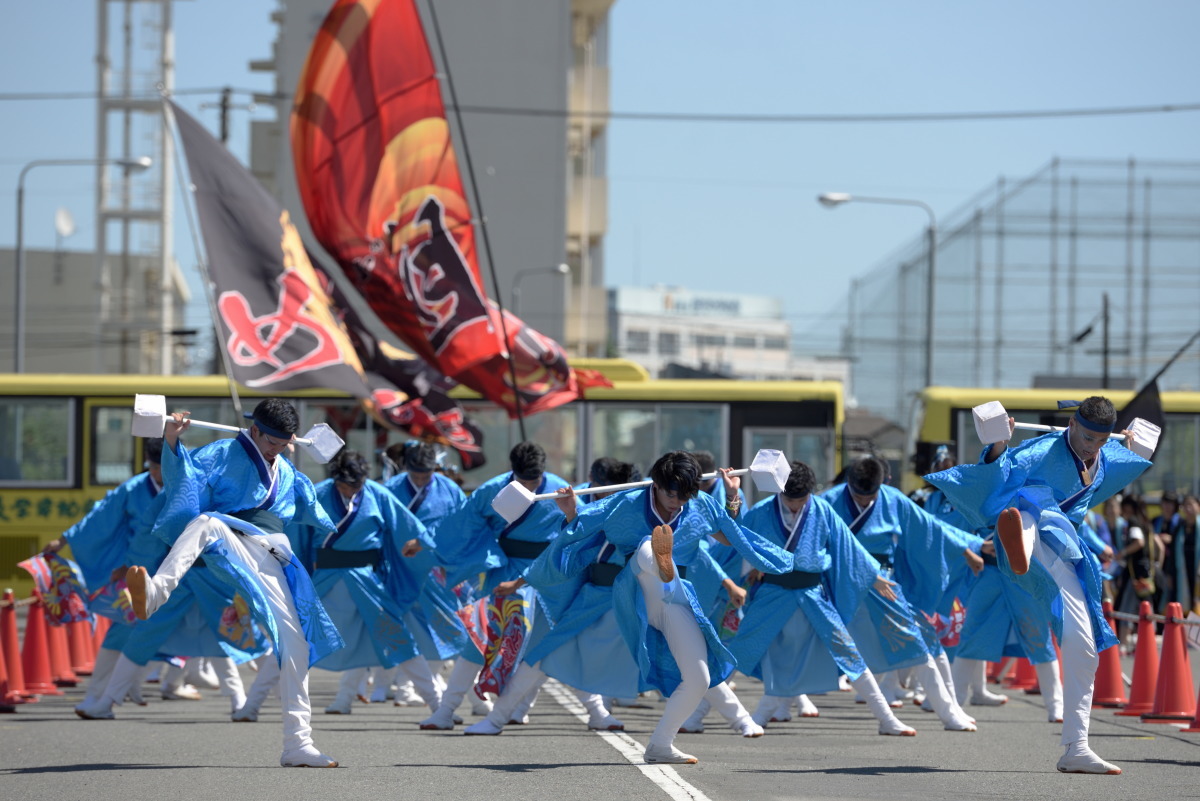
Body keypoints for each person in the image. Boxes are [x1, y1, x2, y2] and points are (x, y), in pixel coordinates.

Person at [926, 396, 1149, 774]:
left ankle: (1076, 747)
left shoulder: (1107, 455)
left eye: (1100, 440)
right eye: (1087, 437)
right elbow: (1000, 471)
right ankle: (1020, 546)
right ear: (1072, 425)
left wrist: (1133, 440)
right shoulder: (1042, 449)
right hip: (1027, 530)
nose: (1091, 447)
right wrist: (998, 444)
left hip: (1064, 551)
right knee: (1028, 509)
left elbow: (1139, 454)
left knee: (1083, 645)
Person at [530, 451, 794, 764]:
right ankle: (657, 558)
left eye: (685, 496)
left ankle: (659, 745)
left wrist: (733, 494)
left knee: (698, 678)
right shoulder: (625, 502)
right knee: (645, 547)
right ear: (655, 484)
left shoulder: (700, 504)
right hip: (637, 589)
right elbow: (585, 526)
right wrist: (572, 510)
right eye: (672, 494)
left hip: (675, 599)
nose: (678, 503)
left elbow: (727, 536)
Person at [125, 398, 344, 769]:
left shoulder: (287, 471)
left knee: (295, 646)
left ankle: (297, 743)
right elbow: (186, 482)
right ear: (253, 430)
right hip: (231, 536)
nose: (276, 449)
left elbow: (311, 506)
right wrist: (174, 443)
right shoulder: (223, 452)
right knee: (206, 522)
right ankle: (156, 591)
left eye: (283, 443)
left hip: (273, 554)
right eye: (271, 441)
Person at [725, 461, 917, 736]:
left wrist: (872, 574)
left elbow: (848, 546)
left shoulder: (821, 509)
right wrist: (733, 496)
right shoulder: (762, 511)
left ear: (811, 494)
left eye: (801, 500)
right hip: (773, 592)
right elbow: (734, 533)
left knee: (848, 652)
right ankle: (695, 715)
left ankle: (887, 719)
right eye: (789, 500)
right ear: (779, 492)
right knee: (740, 649)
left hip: (813, 592)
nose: (794, 506)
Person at [461, 461, 641, 735]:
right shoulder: (583, 500)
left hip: (632, 596)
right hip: (587, 595)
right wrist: (571, 515)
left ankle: (719, 717)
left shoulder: (639, 506)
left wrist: (733, 499)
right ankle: (495, 717)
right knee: (546, 655)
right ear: (591, 479)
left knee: (678, 651)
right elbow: (566, 550)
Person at [417, 442, 573, 731]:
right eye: (522, 479)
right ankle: (446, 709)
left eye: (534, 480)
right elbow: (462, 520)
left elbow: (579, 530)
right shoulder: (493, 488)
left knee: (541, 644)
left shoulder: (562, 490)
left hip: (544, 576)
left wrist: (571, 511)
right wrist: (429, 542)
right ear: (512, 471)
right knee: (478, 639)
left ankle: (524, 708)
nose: (528, 485)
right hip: (503, 572)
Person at [821, 457, 979, 731]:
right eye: (859, 496)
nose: (865, 502)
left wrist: (970, 547)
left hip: (885, 584)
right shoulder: (827, 502)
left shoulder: (892, 499)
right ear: (848, 484)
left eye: (871, 496)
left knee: (920, 641)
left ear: (882, 485)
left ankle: (948, 710)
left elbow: (932, 528)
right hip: (841, 581)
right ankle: (775, 706)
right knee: (800, 637)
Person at [288, 450, 441, 716]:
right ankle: (252, 703)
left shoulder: (376, 494)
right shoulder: (316, 493)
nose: (350, 490)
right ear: (334, 479)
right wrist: (295, 576)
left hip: (369, 581)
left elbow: (406, 526)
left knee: (399, 640)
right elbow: (297, 536)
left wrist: (422, 543)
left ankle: (441, 704)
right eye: (344, 485)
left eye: (356, 485)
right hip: (325, 578)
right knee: (297, 637)